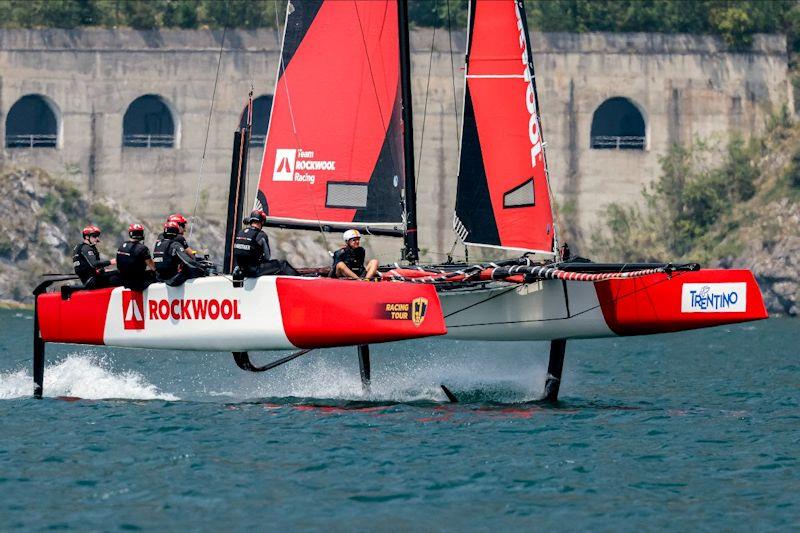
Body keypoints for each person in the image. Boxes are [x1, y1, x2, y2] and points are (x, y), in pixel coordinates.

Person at [233, 209, 299, 277]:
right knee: (282, 264)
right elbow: (267, 257)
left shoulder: (241, 232)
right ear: (261, 222)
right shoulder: (261, 235)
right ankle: (298, 279)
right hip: (254, 271)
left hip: (241, 270)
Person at [153, 221, 208, 286]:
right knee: (197, 271)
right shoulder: (176, 245)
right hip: (171, 280)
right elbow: (188, 261)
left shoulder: (159, 243)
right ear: (176, 231)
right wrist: (202, 266)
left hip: (160, 278)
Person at [116, 223, 156, 291]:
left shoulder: (122, 246)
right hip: (138, 284)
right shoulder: (143, 248)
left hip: (123, 281)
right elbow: (153, 267)